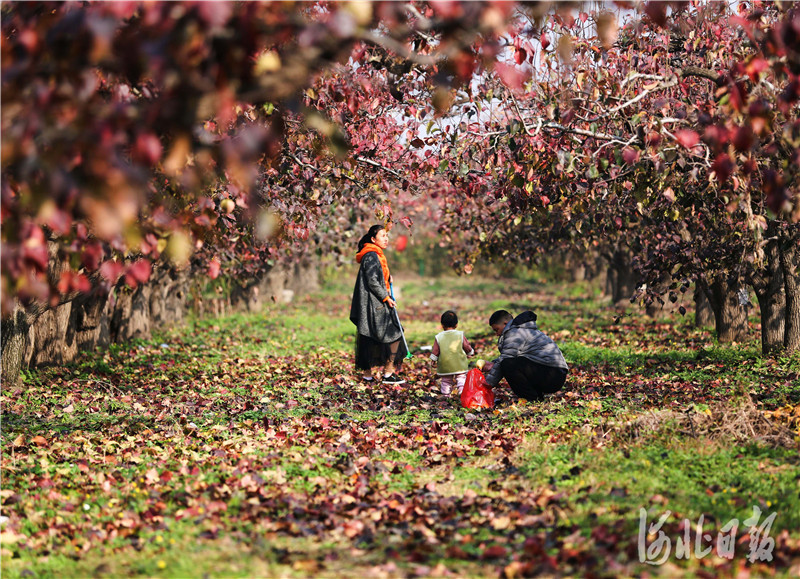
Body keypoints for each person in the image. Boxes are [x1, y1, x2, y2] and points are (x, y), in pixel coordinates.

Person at [350, 224, 407, 384]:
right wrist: (385, 297)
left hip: (373, 303)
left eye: (387, 236)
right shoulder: (371, 255)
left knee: (368, 336)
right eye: (383, 236)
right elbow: (372, 281)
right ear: (373, 239)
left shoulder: (373, 255)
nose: (386, 239)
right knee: (395, 333)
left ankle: (368, 376)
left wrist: (387, 278)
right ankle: (388, 374)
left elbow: (375, 276)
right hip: (374, 304)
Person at [482, 310, 568, 401]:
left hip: (552, 375)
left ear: (505, 323)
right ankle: (537, 396)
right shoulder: (522, 330)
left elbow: (506, 359)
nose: (497, 334)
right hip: (556, 374)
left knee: (507, 364)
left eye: (496, 330)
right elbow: (511, 356)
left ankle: (530, 398)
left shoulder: (514, 333)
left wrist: (487, 385)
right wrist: (493, 363)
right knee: (510, 362)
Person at [430, 310, 475, 395]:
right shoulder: (460, 335)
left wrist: (433, 360)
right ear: (456, 324)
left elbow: (435, 350)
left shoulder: (439, 337)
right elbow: (466, 346)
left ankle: (446, 394)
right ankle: (462, 392)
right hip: (459, 364)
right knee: (461, 378)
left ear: (442, 325)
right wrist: (470, 352)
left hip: (445, 365)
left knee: (446, 381)